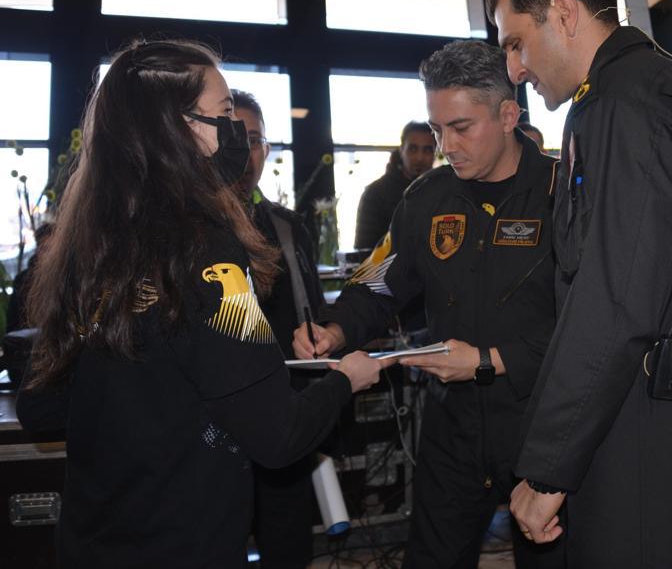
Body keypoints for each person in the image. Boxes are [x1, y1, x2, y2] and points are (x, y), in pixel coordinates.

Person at [15, 39, 386, 569]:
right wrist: (345, 379)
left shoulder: (85, 246)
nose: (235, 131)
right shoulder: (208, 252)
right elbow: (278, 435)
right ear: (177, 129)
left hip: (94, 537)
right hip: (184, 540)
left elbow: (42, 405)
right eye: (223, 115)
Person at [486, 0, 672, 568]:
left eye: (516, 42)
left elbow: (616, 297)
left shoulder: (618, 102)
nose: (516, 69)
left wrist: (550, 466)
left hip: (647, 421)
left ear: (564, 12)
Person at [294, 40, 564, 569]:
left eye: (461, 128)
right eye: (437, 130)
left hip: (541, 430)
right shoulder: (425, 199)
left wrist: (490, 358)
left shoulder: (564, 195)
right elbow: (379, 282)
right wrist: (336, 330)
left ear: (509, 114)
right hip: (453, 433)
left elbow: (592, 325)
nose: (447, 145)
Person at [232, 88, 323, 568]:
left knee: (287, 543)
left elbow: (312, 319)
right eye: (232, 137)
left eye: (253, 139)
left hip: (281, 414)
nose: (244, 152)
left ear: (267, 149)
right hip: (212, 427)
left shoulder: (288, 228)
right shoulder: (185, 232)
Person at [353, 120, 435, 250]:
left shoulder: (441, 193)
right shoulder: (376, 193)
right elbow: (365, 250)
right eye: (413, 149)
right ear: (401, 150)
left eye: (427, 150)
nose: (420, 157)